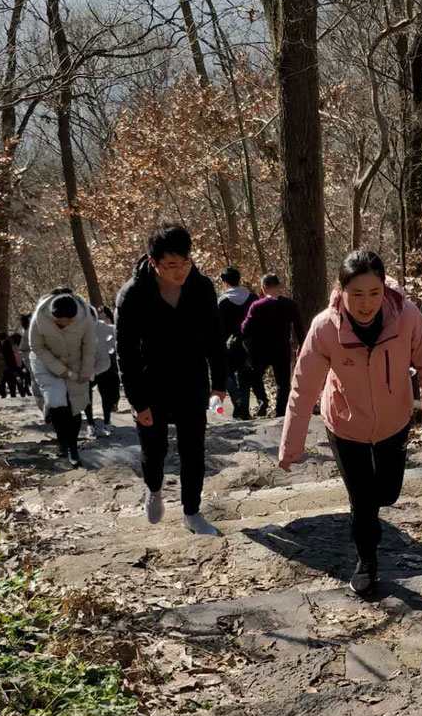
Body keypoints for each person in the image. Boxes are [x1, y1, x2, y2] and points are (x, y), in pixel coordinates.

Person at [278, 249, 422, 598]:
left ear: (384, 290)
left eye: (373, 293)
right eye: (356, 294)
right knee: (363, 500)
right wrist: (291, 445)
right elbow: (304, 386)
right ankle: (366, 562)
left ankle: (372, 522)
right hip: (345, 425)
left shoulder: (406, 317)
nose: (366, 303)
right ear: (341, 292)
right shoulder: (325, 327)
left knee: (387, 493)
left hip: (394, 421)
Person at [115, 223, 228, 535]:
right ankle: (153, 490)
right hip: (151, 385)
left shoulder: (201, 287)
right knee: (155, 451)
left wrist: (219, 383)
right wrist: (138, 402)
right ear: (154, 263)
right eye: (172, 266)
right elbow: (125, 354)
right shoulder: (133, 295)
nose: (181, 272)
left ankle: (192, 513)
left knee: (194, 450)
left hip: (192, 380)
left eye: (186, 262)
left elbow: (215, 338)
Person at [29, 291, 96, 468]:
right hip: (47, 364)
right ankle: (62, 442)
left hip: (76, 362)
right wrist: (60, 370)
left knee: (75, 406)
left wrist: (85, 371)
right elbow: (36, 346)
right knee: (57, 405)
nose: (64, 324)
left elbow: (89, 345)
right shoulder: (40, 317)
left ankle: (73, 448)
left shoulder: (85, 317)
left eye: (68, 321)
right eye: (60, 321)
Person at [241, 273, 305, 418]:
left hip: (260, 349)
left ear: (263, 288)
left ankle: (263, 400)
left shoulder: (257, 306)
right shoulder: (290, 305)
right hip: (282, 348)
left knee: (254, 375)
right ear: (278, 287)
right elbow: (299, 328)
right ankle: (281, 411)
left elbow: (245, 328)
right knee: (282, 382)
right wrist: (302, 345)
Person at [217, 267, 267, 420]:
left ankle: (238, 402)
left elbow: (218, 325)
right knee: (244, 375)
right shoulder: (252, 298)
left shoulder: (222, 301)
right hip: (249, 343)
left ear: (224, 282)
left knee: (227, 375)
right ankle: (243, 408)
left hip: (228, 344)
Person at [93, 304, 120, 431]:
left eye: (106, 317)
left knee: (114, 394)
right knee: (104, 394)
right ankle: (107, 419)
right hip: (102, 369)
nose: (104, 321)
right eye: (101, 318)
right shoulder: (95, 333)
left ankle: (113, 403)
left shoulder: (117, 332)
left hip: (115, 368)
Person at [0, 331, 18, 398]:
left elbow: (15, 354)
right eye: (1, 340)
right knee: (1, 382)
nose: (2, 342)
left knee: (11, 382)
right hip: (0, 367)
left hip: (9, 365)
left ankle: (13, 395)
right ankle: (3, 395)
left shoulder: (10, 343)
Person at [10, 332, 30, 396]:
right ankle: (24, 389)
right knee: (25, 377)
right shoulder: (22, 346)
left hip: (17, 366)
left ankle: (23, 390)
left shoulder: (12, 347)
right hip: (23, 366)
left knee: (19, 379)